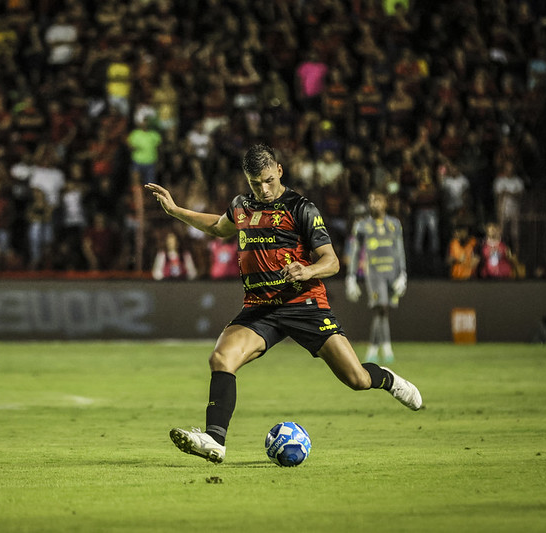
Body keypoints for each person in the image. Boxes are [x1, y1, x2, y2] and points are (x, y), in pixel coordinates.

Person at [144, 144, 422, 464]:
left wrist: (307, 270)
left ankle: (388, 379)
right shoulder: (241, 206)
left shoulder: (301, 208)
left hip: (304, 303)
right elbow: (217, 227)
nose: (262, 189)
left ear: (279, 170)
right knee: (221, 358)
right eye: (254, 183)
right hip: (260, 307)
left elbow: (331, 261)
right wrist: (176, 210)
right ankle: (215, 440)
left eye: (267, 180)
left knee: (356, 379)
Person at [345, 189, 407, 364]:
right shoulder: (362, 226)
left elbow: (399, 250)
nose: (374, 204)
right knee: (381, 308)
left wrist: (403, 273)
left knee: (383, 312)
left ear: (385, 203)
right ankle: (385, 347)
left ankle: (374, 348)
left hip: (392, 273)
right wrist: (351, 277)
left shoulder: (395, 224)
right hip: (374, 274)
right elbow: (356, 252)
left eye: (377, 200)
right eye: (371, 201)